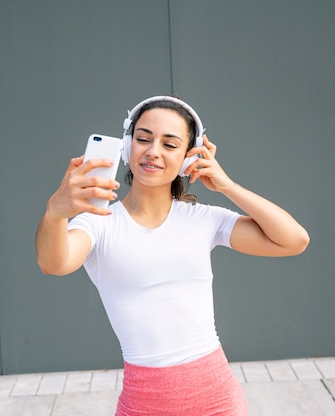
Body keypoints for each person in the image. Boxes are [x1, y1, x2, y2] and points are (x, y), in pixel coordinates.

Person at [35, 96, 309, 415]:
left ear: (187, 158)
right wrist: (55, 214)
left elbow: (294, 240)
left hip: (218, 400)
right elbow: (53, 264)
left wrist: (227, 186)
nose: (153, 151)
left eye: (170, 144)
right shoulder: (98, 223)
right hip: (143, 404)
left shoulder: (203, 219)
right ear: (127, 146)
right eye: (143, 139)